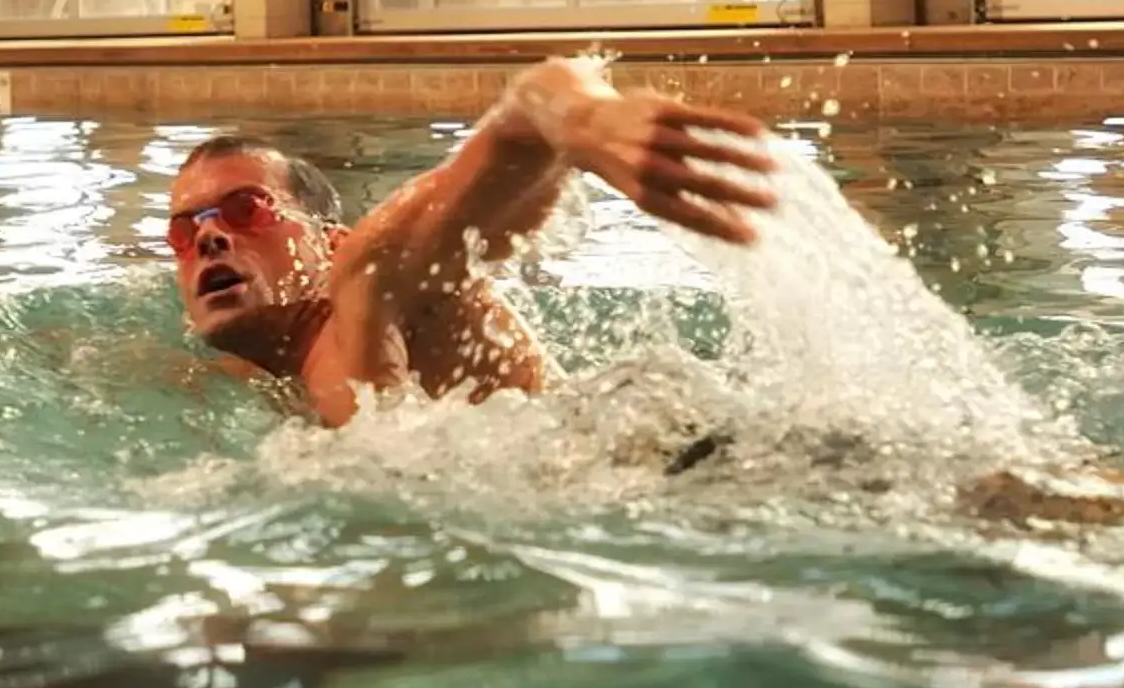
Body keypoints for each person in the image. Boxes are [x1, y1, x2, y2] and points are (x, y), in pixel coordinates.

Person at [167, 56, 777, 427]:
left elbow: (529, 109)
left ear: (329, 242)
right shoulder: (260, 367)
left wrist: (583, 120)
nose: (210, 237)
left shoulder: (365, 286)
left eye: (247, 210)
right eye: (185, 230)